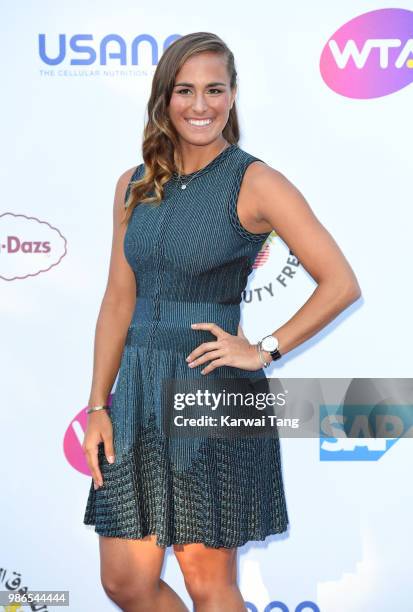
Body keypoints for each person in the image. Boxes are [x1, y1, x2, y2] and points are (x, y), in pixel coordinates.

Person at [82, 31, 361, 612]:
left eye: (214, 89)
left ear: (233, 97)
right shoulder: (133, 185)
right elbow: (116, 301)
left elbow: (340, 282)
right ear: (164, 99)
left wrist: (263, 349)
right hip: (135, 390)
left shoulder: (254, 181)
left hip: (209, 391)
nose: (200, 105)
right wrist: (97, 405)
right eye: (185, 90)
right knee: (124, 582)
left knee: (209, 583)